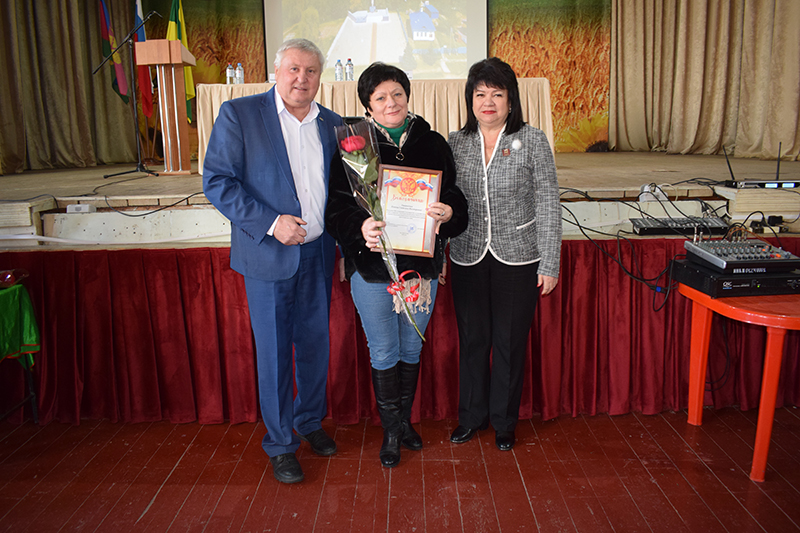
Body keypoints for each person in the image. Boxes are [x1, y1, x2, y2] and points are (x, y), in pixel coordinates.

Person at [203, 39, 343, 484]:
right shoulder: (240, 114)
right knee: (276, 353)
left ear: (320, 77)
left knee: (316, 348)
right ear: (276, 72)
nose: (302, 78)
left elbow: (344, 193)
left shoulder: (334, 124)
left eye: (311, 71)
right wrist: (270, 222)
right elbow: (217, 182)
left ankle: (309, 421)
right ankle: (281, 444)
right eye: (294, 69)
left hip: (319, 253)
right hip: (268, 255)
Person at [326, 62, 468, 467]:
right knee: (384, 349)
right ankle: (391, 432)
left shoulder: (433, 142)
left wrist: (448, 212)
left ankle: (404, 423)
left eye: (398, 94)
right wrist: (360, 227)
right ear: (368, 106)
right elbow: (335, 209)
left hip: (421, 270)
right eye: (381, 98)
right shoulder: (354, 145)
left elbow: (454, 195)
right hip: (373, 269)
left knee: (411, 346)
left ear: (408, 96)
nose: (391, 103)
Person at [448, 58, 562, 451]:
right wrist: (439, 255)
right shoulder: (456, 142)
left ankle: (504, 422)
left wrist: (550, 262)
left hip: (519, 256)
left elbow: (548, 202)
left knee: (509, 343)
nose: (488, 102)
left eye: (497, 94)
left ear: (511, 100)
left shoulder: (532, 140)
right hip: (467, 254)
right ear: (470, 99)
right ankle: (471, 418)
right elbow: (444, 202)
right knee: (473, 340)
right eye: (480, 94)